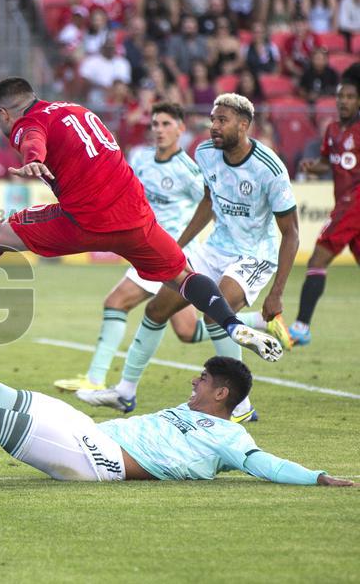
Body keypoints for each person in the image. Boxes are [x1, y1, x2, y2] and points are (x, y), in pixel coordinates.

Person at [0, 78, 284, 368]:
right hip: (135, 214)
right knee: (183, 275)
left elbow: (31, 139)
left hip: (87, 218)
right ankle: (231, 324)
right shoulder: (75, 109)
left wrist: (33, 157)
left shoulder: (27, 124)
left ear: (4, 113)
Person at [0, 339, 353, 486]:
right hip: (89, 433)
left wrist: (319, 477)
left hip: (103, 463)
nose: (193, 380)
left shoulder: (230, 439)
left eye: (202, 379)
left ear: (221, 394)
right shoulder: (192, 409)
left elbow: (265, 464)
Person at [77, 94, 298, 423]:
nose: (214, 126)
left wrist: (277, 291)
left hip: (254, 255)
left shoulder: (269, 168)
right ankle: (124, 392)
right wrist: (178, 247)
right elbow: (208, 201)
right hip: (214, 248)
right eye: (212, 119)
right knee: (156, 309)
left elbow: (292, 233)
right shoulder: (206, 153)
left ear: (243, 125)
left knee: (213, 314)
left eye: (222, 120)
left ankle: (239, 406)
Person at [52, 103, 211, 393]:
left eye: (166, 124)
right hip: (145, 244)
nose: (159, 130)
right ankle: (256, 323)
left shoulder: (188, 171)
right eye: (155, 124)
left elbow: (210, 206)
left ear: (180, 129)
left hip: (169, 252)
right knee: (187, 331)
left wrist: (182, 243)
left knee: (116, 302)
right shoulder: (140, 158)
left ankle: (95, 379)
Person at [290, 72, 360, 346]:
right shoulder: (332, 130)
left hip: (353, 202)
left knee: (317, 258)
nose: (344, 101)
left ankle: (301, 327)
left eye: (350, 97)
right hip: (344, 201)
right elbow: (327, 162)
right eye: (341, 96)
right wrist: (312, 167)